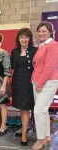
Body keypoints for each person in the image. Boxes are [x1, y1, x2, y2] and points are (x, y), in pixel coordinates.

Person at [31, 21, 58, 150]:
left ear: (50, 32)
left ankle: (40, 139)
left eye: (44, 31)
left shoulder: (52, 45)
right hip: (38, 82)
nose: (41, 33)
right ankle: (47, 136)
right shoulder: (42, 45)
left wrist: (40, 83)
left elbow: (49, 67)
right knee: (43, 111)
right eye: (39, 31)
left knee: (39, 111)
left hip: (47, 82)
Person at [11, 28, 37, 146]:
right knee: (22, 108)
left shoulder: (35, 50)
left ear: (30, 39)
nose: (24, 39)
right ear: (18, 38)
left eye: (26, 37)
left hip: (29, 83)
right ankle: (24, 128)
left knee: (26, 108)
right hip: (17, 83)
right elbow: (11, 66)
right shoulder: (15, 51)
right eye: (22, 37)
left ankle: (24, 136)